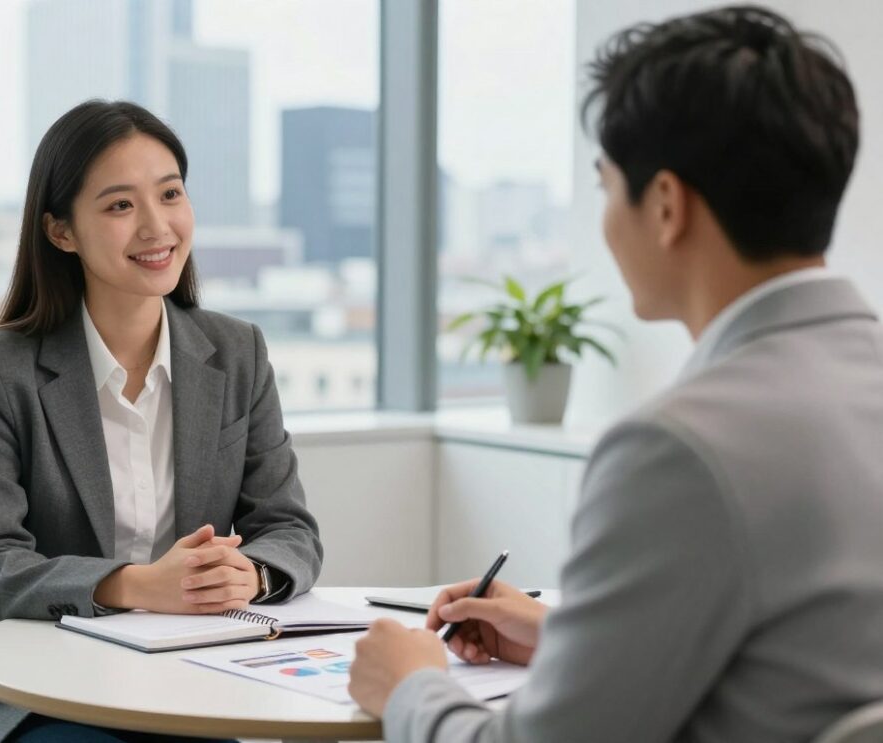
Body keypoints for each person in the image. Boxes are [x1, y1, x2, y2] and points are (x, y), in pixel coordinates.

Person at [348, 6, 883, 742]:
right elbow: (802, 658)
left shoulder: (680, 447)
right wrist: (573, 636)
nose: (604, 218)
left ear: (665, 205)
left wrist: (410, 687)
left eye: (604, 187)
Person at [0, 100, 324, 742]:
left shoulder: (237, 352)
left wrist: (252, 572)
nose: (157, 226)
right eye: (119, 206)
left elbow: (288, 528)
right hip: (39, 695)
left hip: (194, 684)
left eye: (170, 194)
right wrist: (139, 586)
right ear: (61, 232)